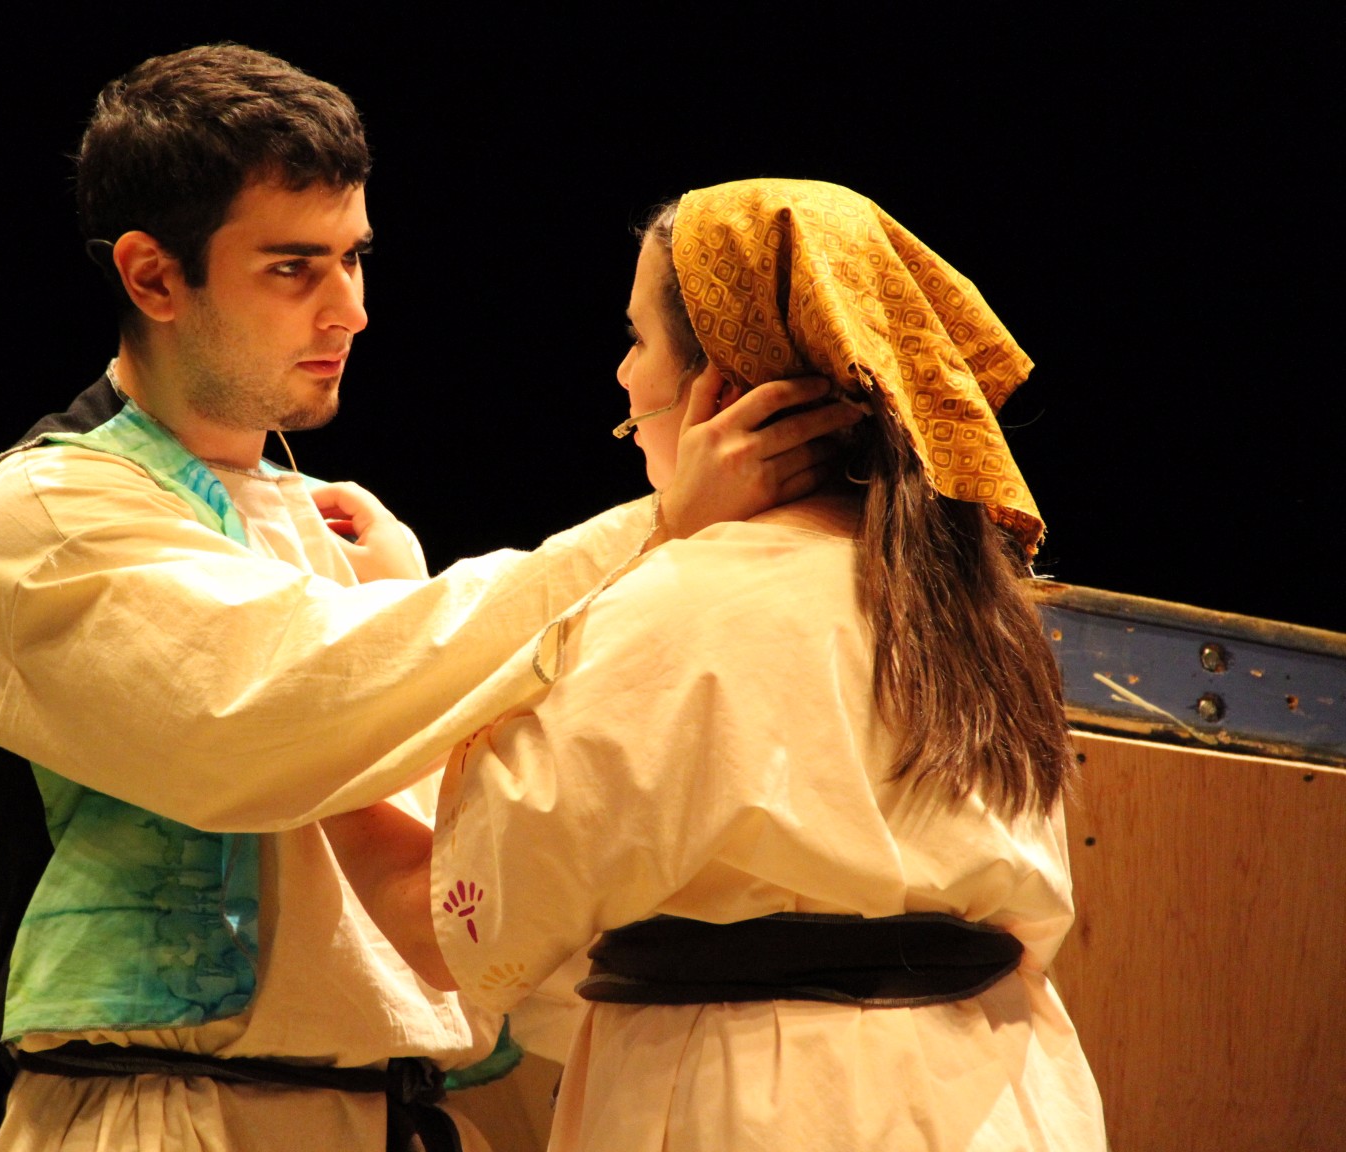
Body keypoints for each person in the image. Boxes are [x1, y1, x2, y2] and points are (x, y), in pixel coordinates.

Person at [0, 47, 856, 1152]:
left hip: (413, 1111)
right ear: (154, 278)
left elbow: (484, 847)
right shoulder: (44, 516)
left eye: (355, 258)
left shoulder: (343, 533)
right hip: (180, 1111)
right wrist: (656, 526)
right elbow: (270, 706)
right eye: (293, 269)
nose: (350, 311)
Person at [324, 178, 1110, 1150]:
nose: (623, 374)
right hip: (1004, 1101)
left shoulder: (679, 606)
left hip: (770, 1105)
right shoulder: (980, 612)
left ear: (727, 392)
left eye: (638, 338)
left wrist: (320, 723)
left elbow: (440, 926)